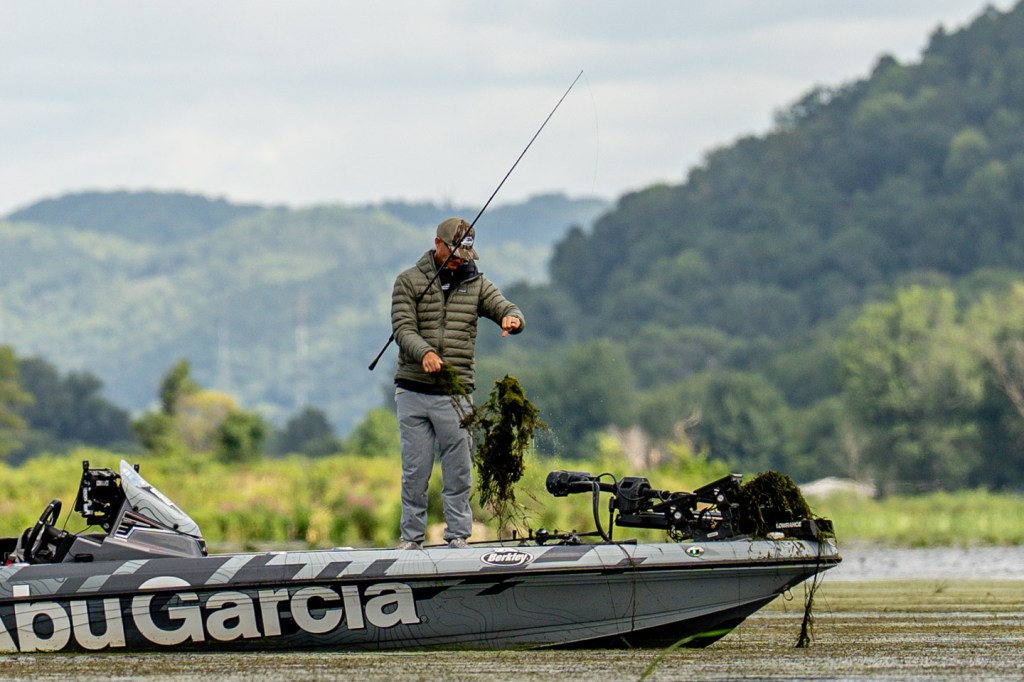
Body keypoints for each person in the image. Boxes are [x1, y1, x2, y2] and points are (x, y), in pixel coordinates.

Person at [390, 217, 525, 550]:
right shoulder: (408, 281)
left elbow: (505, 307)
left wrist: (513, 320)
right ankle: (411, 538)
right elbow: (403, 328)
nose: (458, 261)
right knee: (415, 471)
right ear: (438, 243)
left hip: (456, 393)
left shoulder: (477, 283)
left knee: (459, 470)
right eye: (453, 254)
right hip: (413, 391)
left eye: (464, 255)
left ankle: (458, 536)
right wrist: (424, 353)